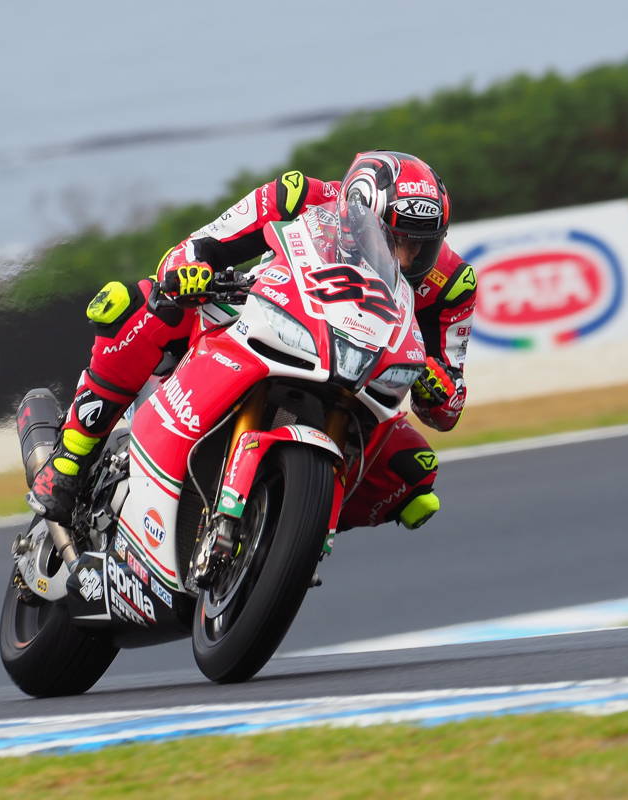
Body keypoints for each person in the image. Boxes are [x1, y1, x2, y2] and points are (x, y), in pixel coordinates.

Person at [28, 150, 476, 534]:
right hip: (259, 321)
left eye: (420, 246)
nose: (404, 257)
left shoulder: (452, 284)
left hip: (359, 375)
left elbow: (447, 408)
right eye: (392, 240)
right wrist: (191, 272)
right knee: (142, 303)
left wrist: (437, 386)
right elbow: (196, 247)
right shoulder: (298, 196)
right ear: (358, 213)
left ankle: (288, 529)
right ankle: (71, 458)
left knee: (414, 473)